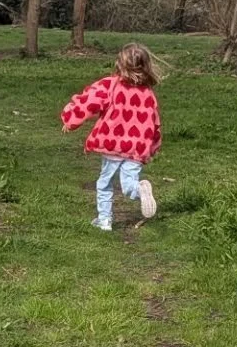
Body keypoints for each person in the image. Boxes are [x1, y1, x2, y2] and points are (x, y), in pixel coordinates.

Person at [60, 43, 163, 232]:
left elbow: (88, 102)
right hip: (137, 147)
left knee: (105, 183)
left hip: (113, 144)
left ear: (120, 64)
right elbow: (154, 122)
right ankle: (139, 190)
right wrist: (153, 146)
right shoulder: (148, 94)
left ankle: (105, 221)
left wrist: (71, 119)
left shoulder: (111, 85)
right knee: (128, 183)